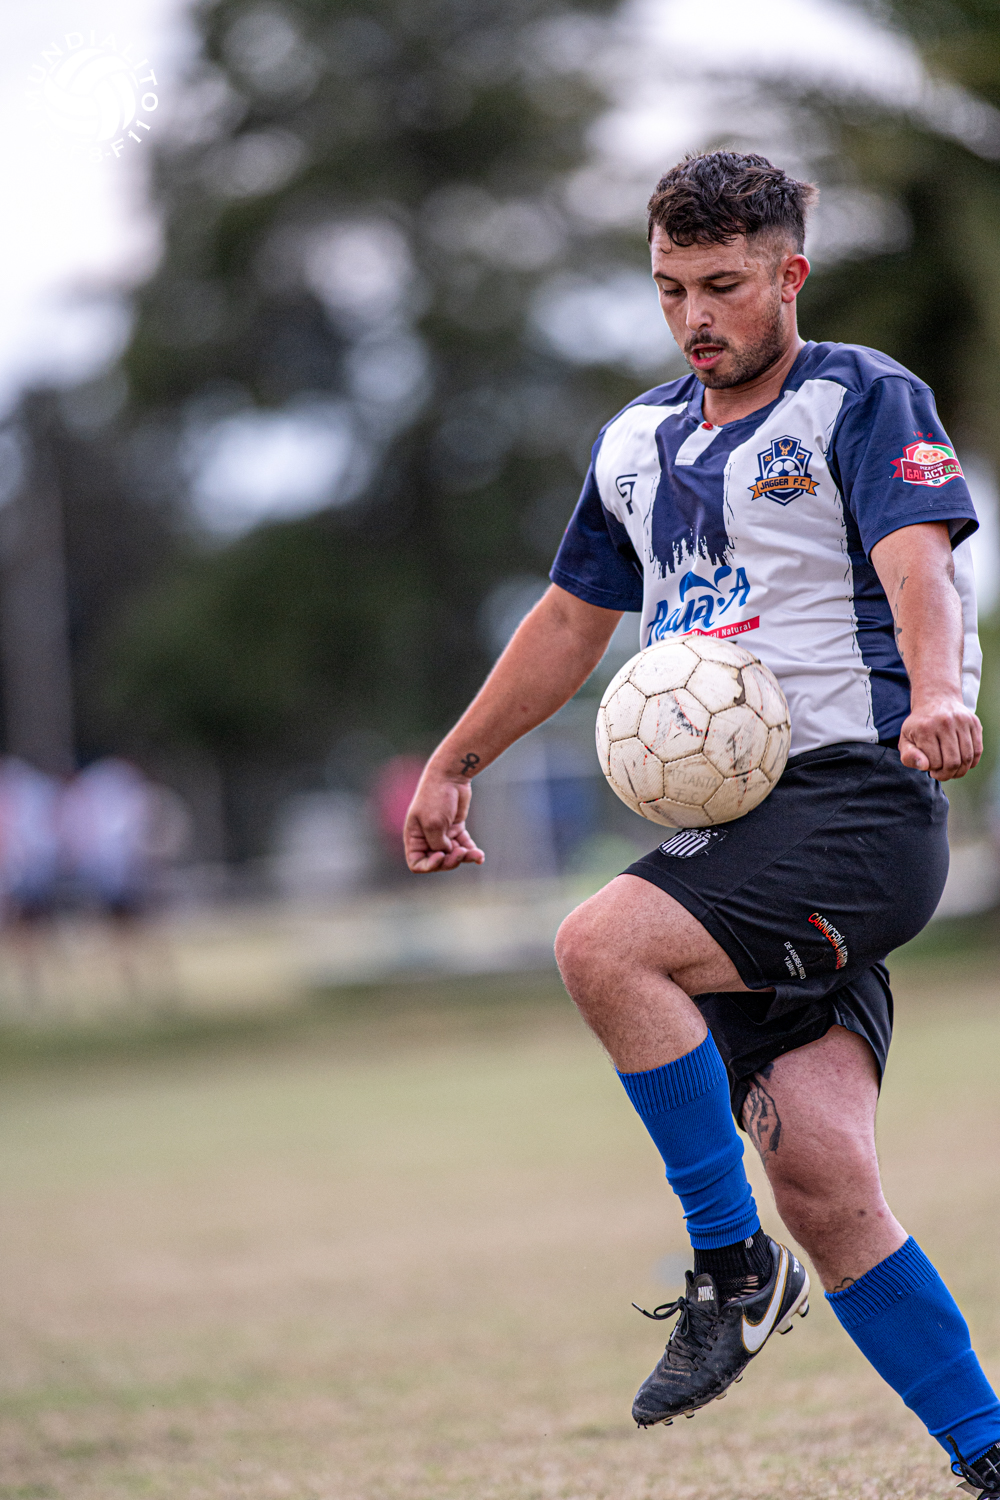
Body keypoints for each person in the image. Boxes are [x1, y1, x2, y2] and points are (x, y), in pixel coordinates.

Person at [403, 151, 1000, 1496]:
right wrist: (457, 760)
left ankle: (730, 1271)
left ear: (791, 274)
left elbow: (921, 566)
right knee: (830, 1189)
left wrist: (940, 694)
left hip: (854, 804)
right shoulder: (635, 441)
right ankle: (991, 1451)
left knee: (603, 944)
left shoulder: (862, 397)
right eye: (671, 288)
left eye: (723, 285)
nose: (695, 316)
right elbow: (571, 620)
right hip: (743, 837)